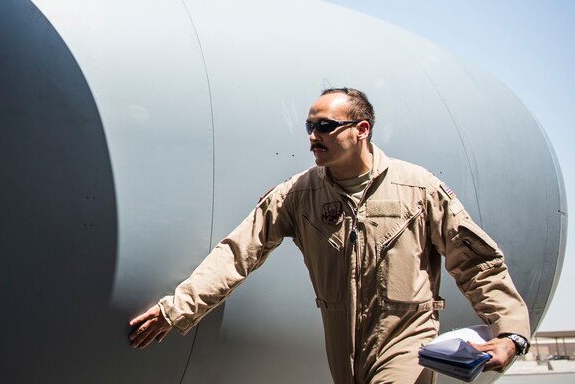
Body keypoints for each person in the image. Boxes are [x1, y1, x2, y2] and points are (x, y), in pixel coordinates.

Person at [129, 87, 531, 384]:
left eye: (325, 126)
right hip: (342, 349)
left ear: (361, 129)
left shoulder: (418, 188)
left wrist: (511, 333)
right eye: (309, 126)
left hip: (404, 339)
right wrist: (177, 309)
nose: (312, 136)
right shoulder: (298, 194)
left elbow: (479, 265)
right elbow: (237, 254)